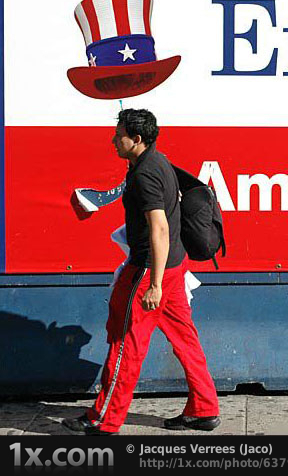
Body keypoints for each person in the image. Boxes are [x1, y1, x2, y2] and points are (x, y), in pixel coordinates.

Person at [63, 109, 221, 435]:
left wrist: (155, 284)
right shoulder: (157, 161)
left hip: (150, 273)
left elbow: (159, 229)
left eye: (118, 134)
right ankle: (204, 409)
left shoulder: (145, 174)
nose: (112, 139)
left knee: (126, 345)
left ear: (136, 139)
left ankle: (104, 419)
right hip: (174, 267)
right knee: (186, 340)